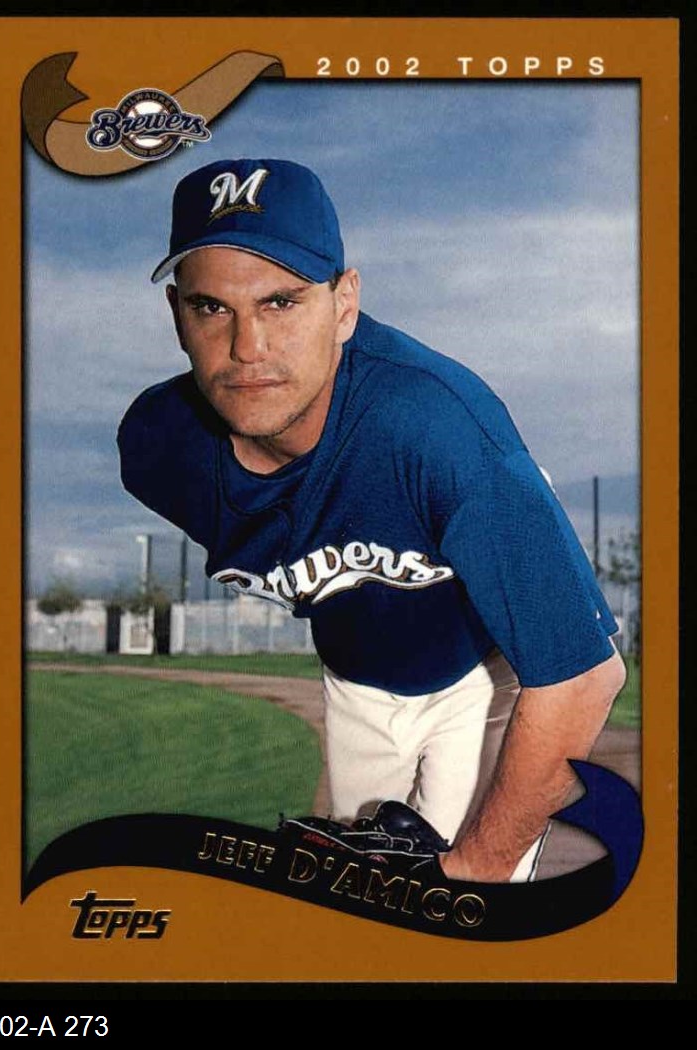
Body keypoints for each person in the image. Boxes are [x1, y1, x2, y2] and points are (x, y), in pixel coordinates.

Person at [118, 157, 626, 883]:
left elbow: (583, 677)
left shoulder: (438, 432)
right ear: (177, 315)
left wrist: (477, 866)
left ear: (344, 305)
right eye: (212, 308)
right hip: (355, 681)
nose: (248, 347)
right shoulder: (159, 453)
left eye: (281, 302)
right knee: (360, 891)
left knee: (465, 897)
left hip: (484, 674)